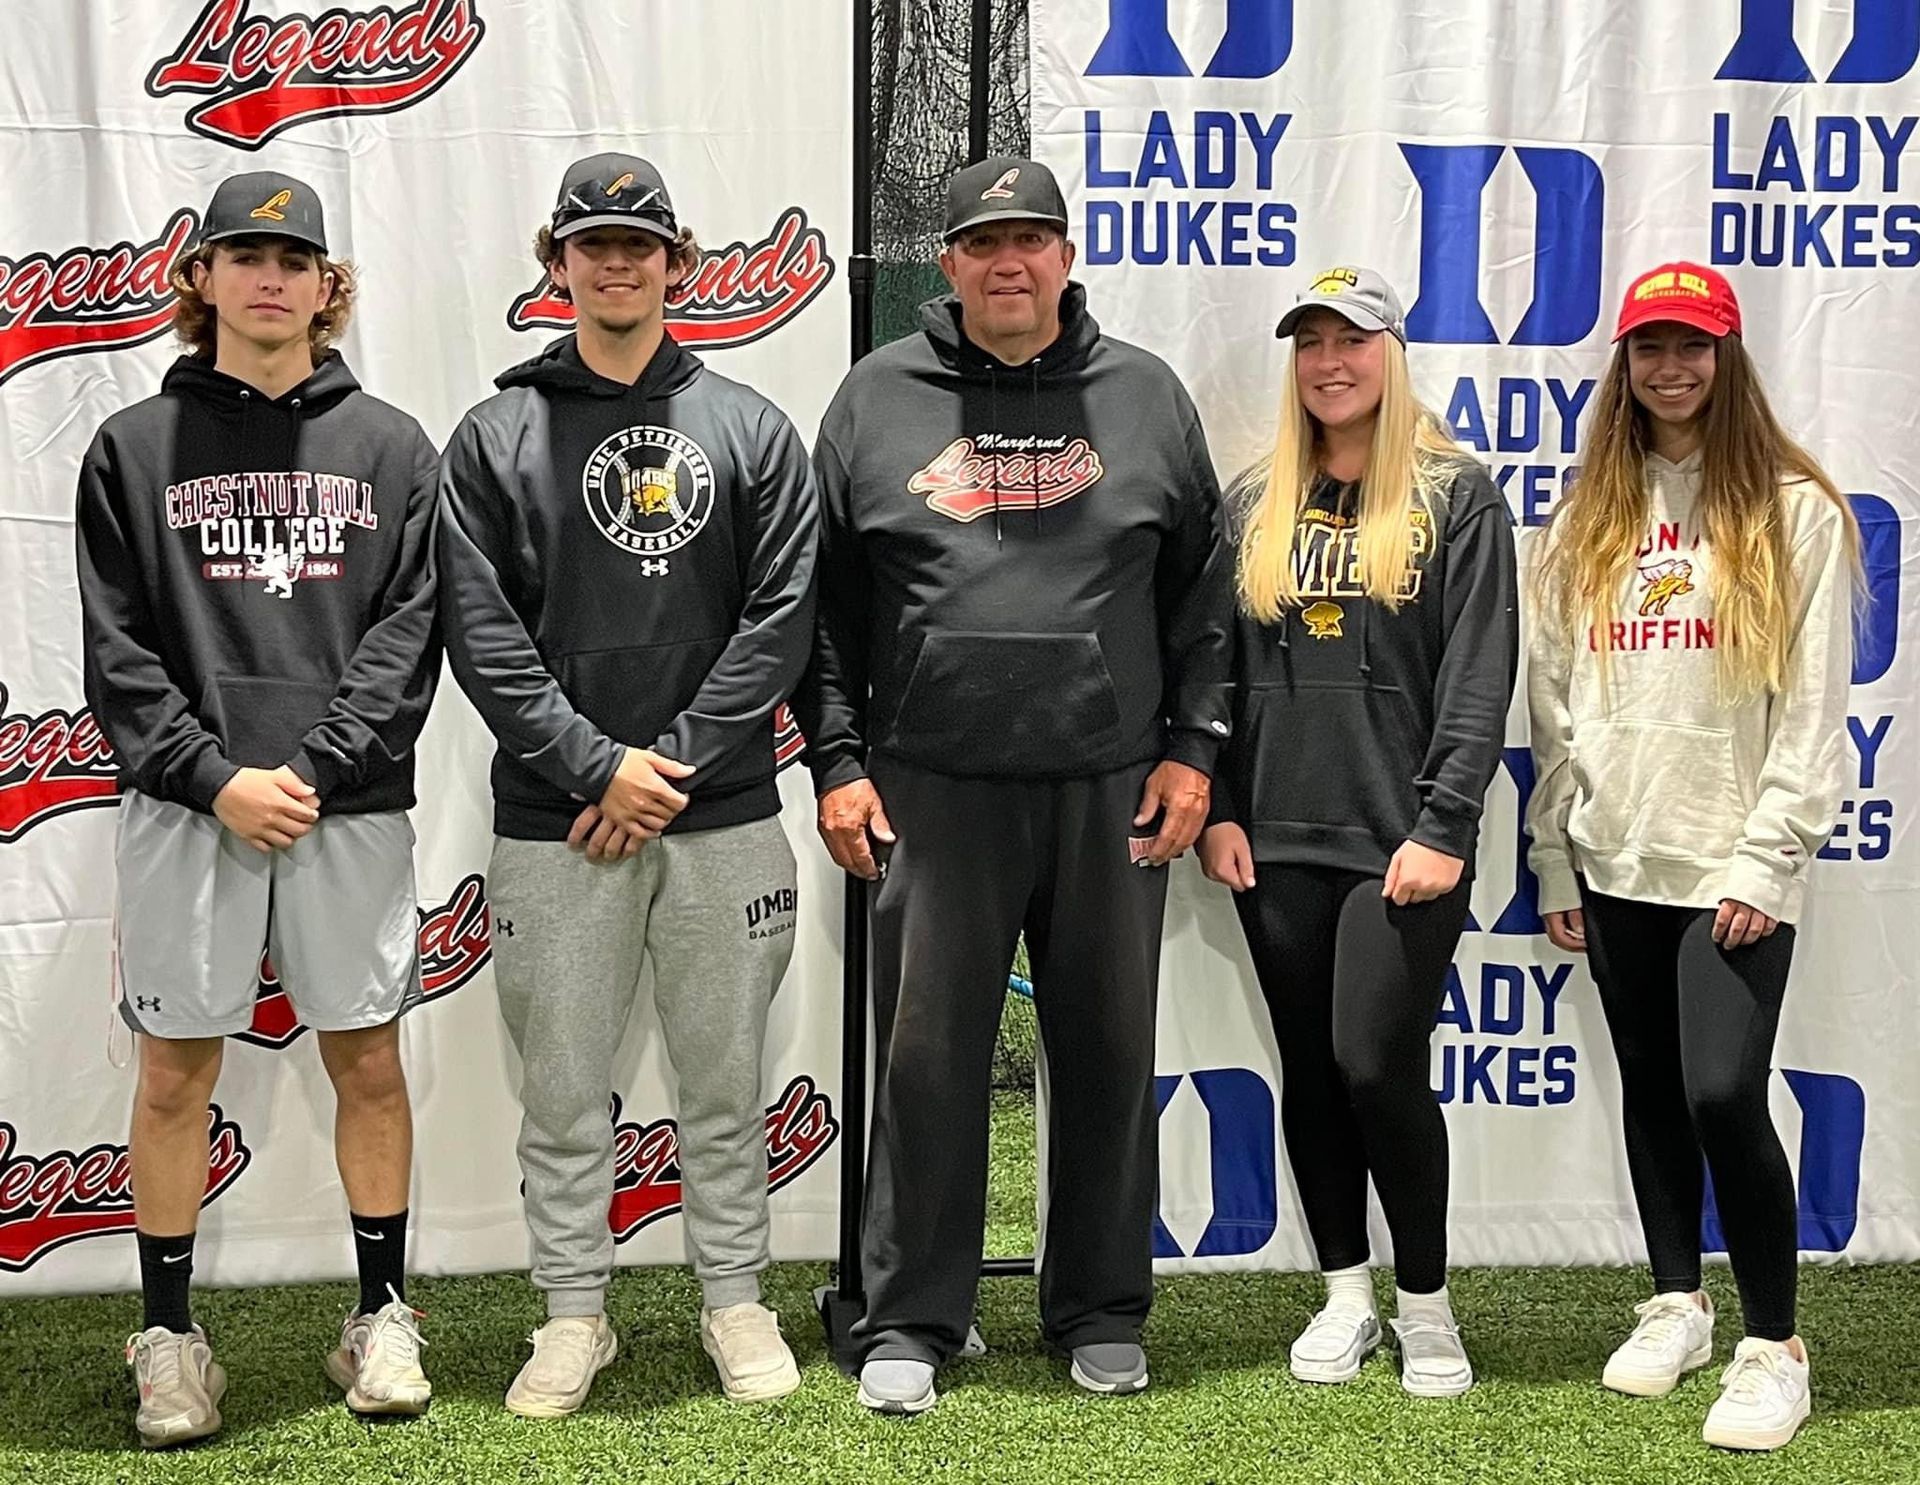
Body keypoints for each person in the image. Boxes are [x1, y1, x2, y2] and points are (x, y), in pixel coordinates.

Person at [795, 156, 1233, 1414]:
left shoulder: (1143, 395)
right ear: (949, 263)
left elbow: (1203, 597)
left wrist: (1194, 751)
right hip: (930, 786)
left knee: (1106, 1052)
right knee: (927, 1065)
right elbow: (823, 611)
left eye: (1032, 239)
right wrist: (837, 763)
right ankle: (911, 1317)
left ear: (1066, 256)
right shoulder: (878, 395)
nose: (1009, 263)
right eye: (985, 243)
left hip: (1110, 784)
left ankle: (1099, 1307)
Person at [437, 153, 818, 1416]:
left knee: (723, 1083)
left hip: (725, 816)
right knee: (560, 1090)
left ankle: (735, 1299)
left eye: (638, 244)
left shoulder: (750, 427)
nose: (616, 263)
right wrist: (601, 768)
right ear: (556, 263)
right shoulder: (494, 437)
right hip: (558, 824)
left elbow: (782, 619)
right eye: (592, 243)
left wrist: (671, 765)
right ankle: (572, 1314)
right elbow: (482, 636)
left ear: (677, 263)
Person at [76, 171, 441, 1445]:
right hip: (192, 806)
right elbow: (117, 649)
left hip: (348, 805)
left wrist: (318, 769)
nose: (271, 278)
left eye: (294, 260)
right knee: (176, 1069)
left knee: (368, 1058)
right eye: (246, 256)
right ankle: (169, 1339)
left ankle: (381, 1316)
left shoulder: (390, 444)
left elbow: (409, 633)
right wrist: (214, 776)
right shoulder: (133, 448)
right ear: (204, 277)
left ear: (329, 285)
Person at [1527, 262, 1857, 1452]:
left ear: (1728, 358)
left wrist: (1768, 862)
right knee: (1656, 1093)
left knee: (1722, 1091)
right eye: (1651, 348)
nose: (1672, 368)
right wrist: (1555, 859)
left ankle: (1776, 1347)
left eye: (1694, 346)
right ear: (1623, 364)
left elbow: (1815, 711)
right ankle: (1678, 1301)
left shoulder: (1793, 510)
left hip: (1730, 865)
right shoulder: (1583, 518)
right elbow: (1553, 707)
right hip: (1615, 857)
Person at [1198, 266, 1517, 1399]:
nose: (1331, 362)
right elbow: (1213, 665)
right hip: (1274, 836)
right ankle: (1345, 1293)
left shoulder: (1455, 496)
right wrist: (1218, 806)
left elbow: (1479, 675)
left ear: (1393, 353)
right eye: (1312, 343)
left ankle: (1425, 1302)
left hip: (1401, 841)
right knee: (1310, 1069)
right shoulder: (1254, 500)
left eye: (1354, 340)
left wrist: (1445, 823)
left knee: (1375, 1064)